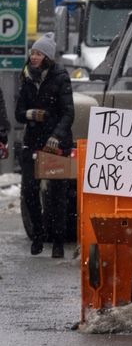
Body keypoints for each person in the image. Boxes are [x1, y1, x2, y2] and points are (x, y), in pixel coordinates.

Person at [17, 34, 75, 258]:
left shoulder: (60, 77)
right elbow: (18, 113)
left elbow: (68, 112)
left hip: (56, 142)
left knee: (57, 193)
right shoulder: (26, 78)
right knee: (30, 190)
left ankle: (58, 239)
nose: (34, 57)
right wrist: (30, 114)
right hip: (32, 142)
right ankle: (39, 234)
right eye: (32, 52)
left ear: (47, 57)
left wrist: (56, 136)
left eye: (39, 53)